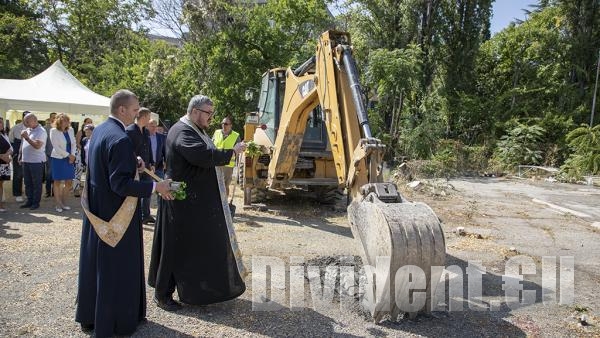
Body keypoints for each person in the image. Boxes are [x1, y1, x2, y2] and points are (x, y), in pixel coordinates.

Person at [75, 89, 173, 337]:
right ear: (122, 110)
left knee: (95, 265)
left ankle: (91, 315)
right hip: (116, 215)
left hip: (97, 211)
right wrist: (155, 187)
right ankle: (117, 320)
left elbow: (103, 163)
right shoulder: (121, 139)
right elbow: (119, 184)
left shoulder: (100, 130)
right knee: (116, 268)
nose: (137, 113)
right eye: (134, 110)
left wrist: (134, 161)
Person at [148, 95, 247, 312]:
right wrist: (232, 152)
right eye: (208, 113)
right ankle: (162, 294)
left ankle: (196, 288)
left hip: (192, 204)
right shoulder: (182, 131)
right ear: (194, 111)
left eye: (212, 113)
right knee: (173, 248)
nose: (211, 118)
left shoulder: (196, 129)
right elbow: (201, 155)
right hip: (181, 202)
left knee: (190, 249)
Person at [125, 107, 154, 224]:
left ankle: (145, 215)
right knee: (135, 192)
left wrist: (151, 163)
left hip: (146, 168)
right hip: (135, 168)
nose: (150, 120)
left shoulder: (146, 132)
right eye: (149, 117)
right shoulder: (130, 131)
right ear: (143, 117)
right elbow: (128, 149)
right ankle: (133, 215)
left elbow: (149, 148)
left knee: (148, 191)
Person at [19, 113, 47, 210]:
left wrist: (27, 138)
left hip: (36, 161)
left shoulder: (41, 131)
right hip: (26, 160)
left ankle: (35, 202)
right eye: (25, 121)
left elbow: (37, 146)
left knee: (36, 183)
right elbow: (23, 145)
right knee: (27, 182)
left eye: (27, 121)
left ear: (35, 120)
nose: (25, 123)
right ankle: (29, 200)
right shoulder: (27, 130)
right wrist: (20, 156)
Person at [49, 113, 76, 212]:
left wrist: (72, 156)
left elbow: (73, 144)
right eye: (64, 120)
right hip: (58, 158)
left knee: (69, 182)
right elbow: (56, 147)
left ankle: (64, 203)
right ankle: (58, 204)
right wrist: (68, 155)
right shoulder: (53, 131)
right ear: (59, 121)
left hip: (70, 158)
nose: (67, 122)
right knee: (57, 181)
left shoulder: (71, 130)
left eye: (68, 120)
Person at [212, 116, 240, 199]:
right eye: (222, 123)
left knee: (225, 185)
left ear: (231, 125)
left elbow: (238, 150)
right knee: (215, 183)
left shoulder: (236, 136)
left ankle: (225, 203)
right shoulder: (217, 133)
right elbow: (212, 145)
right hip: (216, 162)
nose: (224, 125)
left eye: (226, 124)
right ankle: (216, 201)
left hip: (228, 165)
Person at [8, 112, 27, 202]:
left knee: (28, 174)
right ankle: (17, 194)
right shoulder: (16, 127)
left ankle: (28, 192)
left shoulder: (35, 127)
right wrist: (14, 153)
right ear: (23, 118)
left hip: (30, 153)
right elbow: (10, 140)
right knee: (18, 174)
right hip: (18, 153)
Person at [0, 117, 13, 212]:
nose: (1, 124)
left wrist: (7, 156)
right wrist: (3, 156)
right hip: (2, 161)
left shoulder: (4, 135)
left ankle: (0, 204)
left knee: (0, 184)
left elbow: (11, 148)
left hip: (3, 164)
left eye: (1, 123)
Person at [44, 113, 57, 198]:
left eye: (55, 118)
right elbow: (44, 142)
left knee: (55, 174)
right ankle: (48, 191)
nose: (54, 119)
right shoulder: (45, 129)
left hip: (58, 155)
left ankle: (54, 191)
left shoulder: (59, 128)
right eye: (53, 117)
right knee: (49, 173)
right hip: (48, 154)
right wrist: (44, 153)